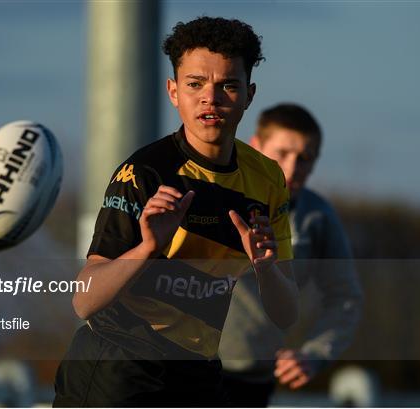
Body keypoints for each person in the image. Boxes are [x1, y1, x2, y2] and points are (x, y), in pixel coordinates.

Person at [53, 18, 299, 407]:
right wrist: (147, 248)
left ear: (249, 95)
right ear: (173, 91)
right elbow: (83, 301)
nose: (210, 99)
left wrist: (266, 268)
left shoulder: (267, 179)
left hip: (197, 373)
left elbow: (286, 314)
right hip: (119, 367)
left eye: (228, 86)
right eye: (195, 84)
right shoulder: (145, 172)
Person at [219, 103, 364, 407]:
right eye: (282, 153)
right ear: (255, 147)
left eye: (304, 158)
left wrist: (315, 354)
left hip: (254, 380)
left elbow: (345, 299)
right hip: (184, 371)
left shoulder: (318, 218)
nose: (291, 168)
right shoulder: (209, 195)